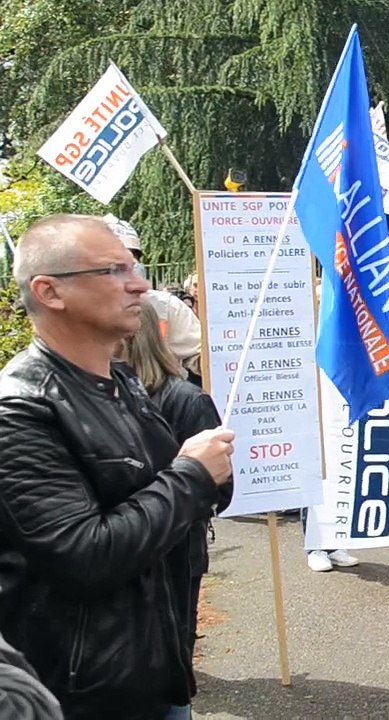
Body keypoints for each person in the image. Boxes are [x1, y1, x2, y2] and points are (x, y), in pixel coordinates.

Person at [0, 214, 234, 719]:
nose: (140, 284)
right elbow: (84, 555)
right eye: (113, 271)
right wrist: (193, 475)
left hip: (157, 670)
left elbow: (172, 498)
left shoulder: (122, 383)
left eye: (135, 267)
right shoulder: (20, 410)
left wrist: (208, 477)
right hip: (85, 694)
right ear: (50, 291)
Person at [119, 302, 236, 718]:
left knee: (170, 659)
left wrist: (178, 485)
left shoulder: (186, 400)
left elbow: (223, 491)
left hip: (176, 558)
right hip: (120, 556)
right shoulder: (98, 400)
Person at [102, 215, 204, 381]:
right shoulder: (77, 310)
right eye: (116, 267)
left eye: (132, 265)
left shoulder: (166, 306)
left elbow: (201, 359)